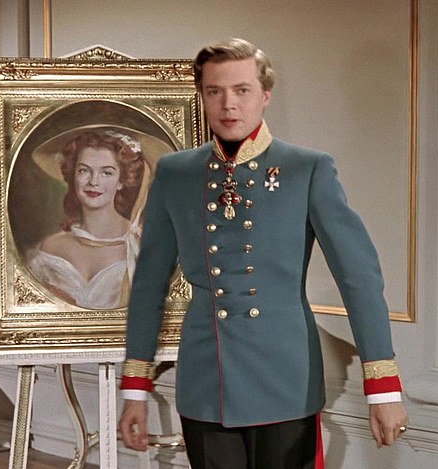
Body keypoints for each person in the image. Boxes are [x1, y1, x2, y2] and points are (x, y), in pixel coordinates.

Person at [119, 38, 409, 468]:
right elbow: (148, 285)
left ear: (265, 95)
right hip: (206, 381)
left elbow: (359, 279)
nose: (228, 104)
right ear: (202, 96)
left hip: (285, 378)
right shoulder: (176, 173)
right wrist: (135, 388)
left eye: (242, 90)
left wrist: (382, 388)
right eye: (214, 91)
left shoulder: (306, 168)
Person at [27, 128, 150, 310]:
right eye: (84, 170)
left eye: (106, 173)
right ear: (73, 175)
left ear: (121, 180)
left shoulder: (141, 245)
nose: (93, 181)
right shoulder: (51, 248)